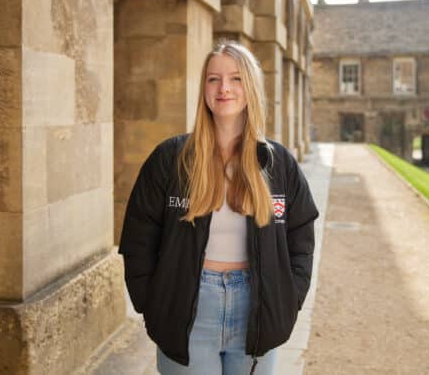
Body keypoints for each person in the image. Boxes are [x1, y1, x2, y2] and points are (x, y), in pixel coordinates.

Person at [118, 40, 319, 375]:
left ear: (251, 87)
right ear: (204, 88)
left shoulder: (278, 163)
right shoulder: (171, 159)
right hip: (189, 308)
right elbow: (139, 236)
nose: (223, 88)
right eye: (213, 79)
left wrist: (287, 300)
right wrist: (153, 304)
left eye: (236, 78)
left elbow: (301, 236)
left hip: (256, 310)